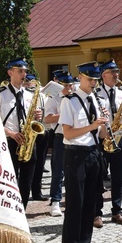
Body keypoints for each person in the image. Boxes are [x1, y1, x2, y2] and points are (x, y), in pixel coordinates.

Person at [58, 62, 109, 243]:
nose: (93, 83)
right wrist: (92, 126)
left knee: (90, 203)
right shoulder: (69, 101)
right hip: (76, 155)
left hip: (94, 153)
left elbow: (102, 135)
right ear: (80, 77)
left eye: (96, 79)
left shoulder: (96, 99)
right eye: (90, 79)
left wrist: (105, 124)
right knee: (75, 204)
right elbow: (68, 133)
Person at [0, 58, 41, 209]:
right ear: (10, 72)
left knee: (27, 180)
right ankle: (9, 210)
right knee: (10, 179)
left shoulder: (29, 94)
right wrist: (11, 133)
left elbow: (32, 117)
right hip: (9, 141)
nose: (24, 74)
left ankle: (23, 210)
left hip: (28, 140)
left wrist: (37, 116)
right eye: (20, 71)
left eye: (25, 71)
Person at [96, 59, 122, 227]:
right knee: (98, 176)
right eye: (113, 72)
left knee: (118, 176)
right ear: (104, 75)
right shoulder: (96, 93)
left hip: (119, 136)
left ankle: (117, 210)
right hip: (102, 137)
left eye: (117, 71)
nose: (117, 75)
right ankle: (97, 212)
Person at [44, 70, 75, 217]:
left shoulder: (75, 98)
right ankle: (55, 201)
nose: (69, 88)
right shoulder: (54, 98)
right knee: (58, 171)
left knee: (73, 171)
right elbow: (48, 119)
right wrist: (65, 113)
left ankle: (71, 200)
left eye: (70, 85)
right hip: (60, 136)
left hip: (75, 137)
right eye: (66, 85)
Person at [26, 73, 49, 201]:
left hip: (42, 131)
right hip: (29, 131)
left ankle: (36, 191)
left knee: (40, 163)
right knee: (29, 163)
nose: (30, 84)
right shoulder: (26, 94)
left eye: (32, 82)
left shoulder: (43, 95)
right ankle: (24, 190)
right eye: (28, 82)